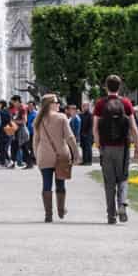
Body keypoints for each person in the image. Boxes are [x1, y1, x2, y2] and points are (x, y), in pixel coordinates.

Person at [93, 74, 138, 224]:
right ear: (119, 87)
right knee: (123, 178)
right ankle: (122, 204)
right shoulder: (126, 103)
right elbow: (133, 127)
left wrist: (99, 145)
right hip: (123, 147)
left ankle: (111, 215)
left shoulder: (100, 104)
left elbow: (95, 128)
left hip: (106, 147)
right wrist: (137, 147)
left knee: (109, 182)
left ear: (106, 87)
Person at [32, 93, 80, 222]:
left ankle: (48, 214)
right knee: (60, 183)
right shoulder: (61, 118)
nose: (58, 105)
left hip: (44, 156)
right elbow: (70, 137)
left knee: (46, 184)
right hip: (61, 155)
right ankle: (60, 209)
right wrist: (76, 153)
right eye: (56, 102)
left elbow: (36, 140)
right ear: (50, 104)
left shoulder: (38, 119)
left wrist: (37, 155)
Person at [0, 100, 13, 167]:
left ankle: (7, 161)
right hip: (7, 131)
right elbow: (9, 121)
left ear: (1, 105)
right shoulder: (8, 112)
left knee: (2, 147)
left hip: (1, 131)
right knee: (4, 147)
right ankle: (4, 161)